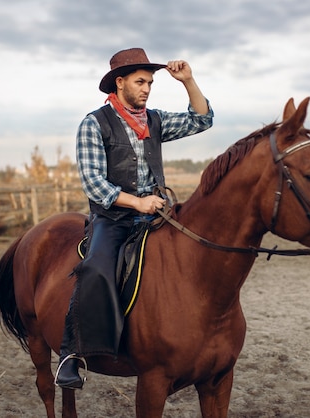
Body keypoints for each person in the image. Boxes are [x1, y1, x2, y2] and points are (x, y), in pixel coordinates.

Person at [55, 48, 214, 389]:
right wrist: (137, 203)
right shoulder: (94, 124)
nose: (147, 88)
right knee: (96, 266)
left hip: (156, 213)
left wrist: (188, 81)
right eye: (140, 82)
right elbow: (95, 184)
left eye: (151, 83)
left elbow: (201, 119)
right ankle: (72, 353)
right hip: (113, 218)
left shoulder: (154, 120)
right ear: (120, 82)